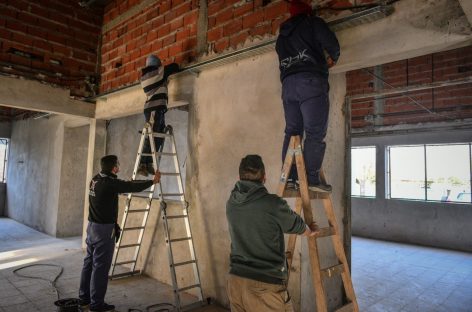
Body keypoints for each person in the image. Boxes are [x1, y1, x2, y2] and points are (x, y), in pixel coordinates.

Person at [226, 154, 319, 312]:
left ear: (239, 177)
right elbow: (297, 226)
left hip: (236, 282)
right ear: (264, 177)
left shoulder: (232, 202)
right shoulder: (272, 204)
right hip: (264, 285)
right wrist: (310, 230)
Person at [79, 155, 160, 312]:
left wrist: (125, 184)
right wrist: (152, 181)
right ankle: (96, 305)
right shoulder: (110, 183)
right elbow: (131, 187)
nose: (119, 165)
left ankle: (84, 299)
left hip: (92, 228)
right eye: (117, 164)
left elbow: (119, 187)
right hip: (104, 231)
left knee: (89, 263)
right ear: (113, 167)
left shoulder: (96, 179)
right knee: (101, 268)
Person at [275, 0, 340, 193]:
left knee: (292, 131)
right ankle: (311, 179)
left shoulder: (281, 38)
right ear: (308, 11)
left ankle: (289, 178)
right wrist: (333, 58)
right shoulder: (313, 23)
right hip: (311, 83)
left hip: (288, 87)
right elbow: (333, 45)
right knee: (314, 132)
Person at [137, 54, 180, 176]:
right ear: (157, 65)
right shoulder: (154, 73)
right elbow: (174, 67)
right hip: (154, 109)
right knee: (152, 136)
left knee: (158, 136)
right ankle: (142, 165)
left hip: (157, 109)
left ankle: (149, 163)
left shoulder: (147, 76)